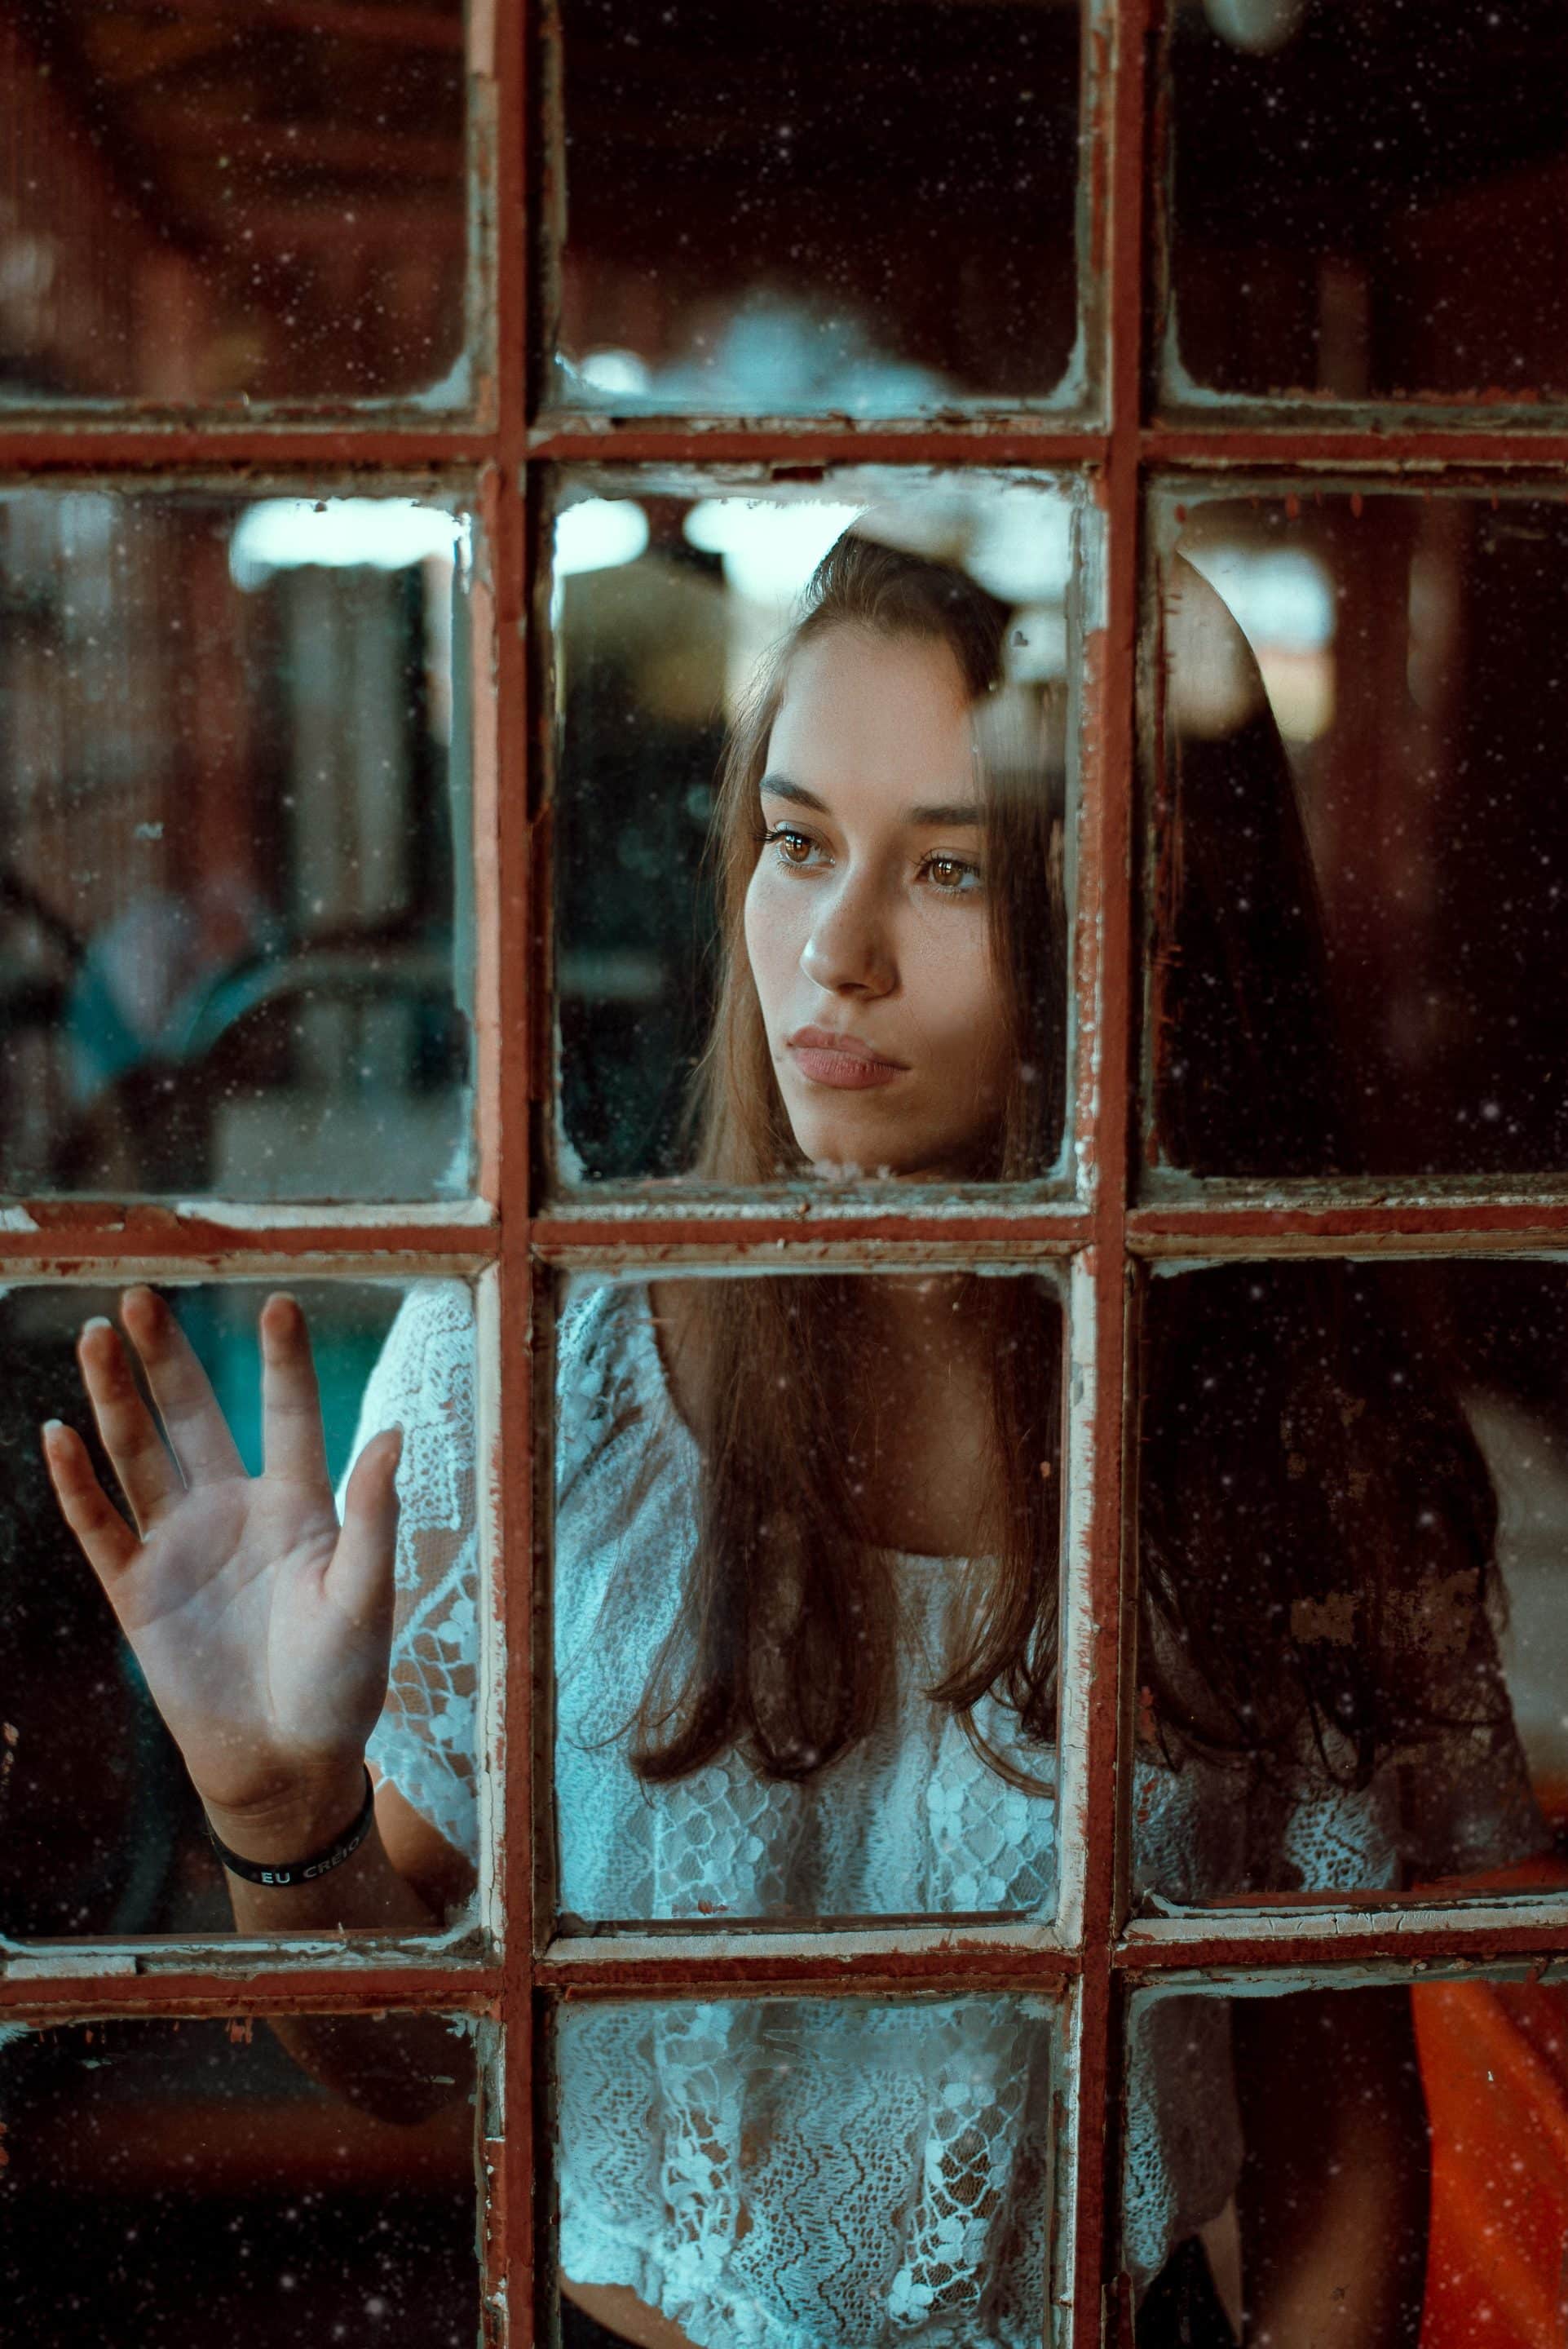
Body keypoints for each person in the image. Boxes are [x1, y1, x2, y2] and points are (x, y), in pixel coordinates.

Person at [42, 527, 1546, 2349]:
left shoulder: (1279, 1440)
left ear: (1147, 916)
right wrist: (279, 1814)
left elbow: (1337, 2132)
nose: (832, 952)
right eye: (795, 839)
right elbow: (404, 2069)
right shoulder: (532, 1374)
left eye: (952, 868)